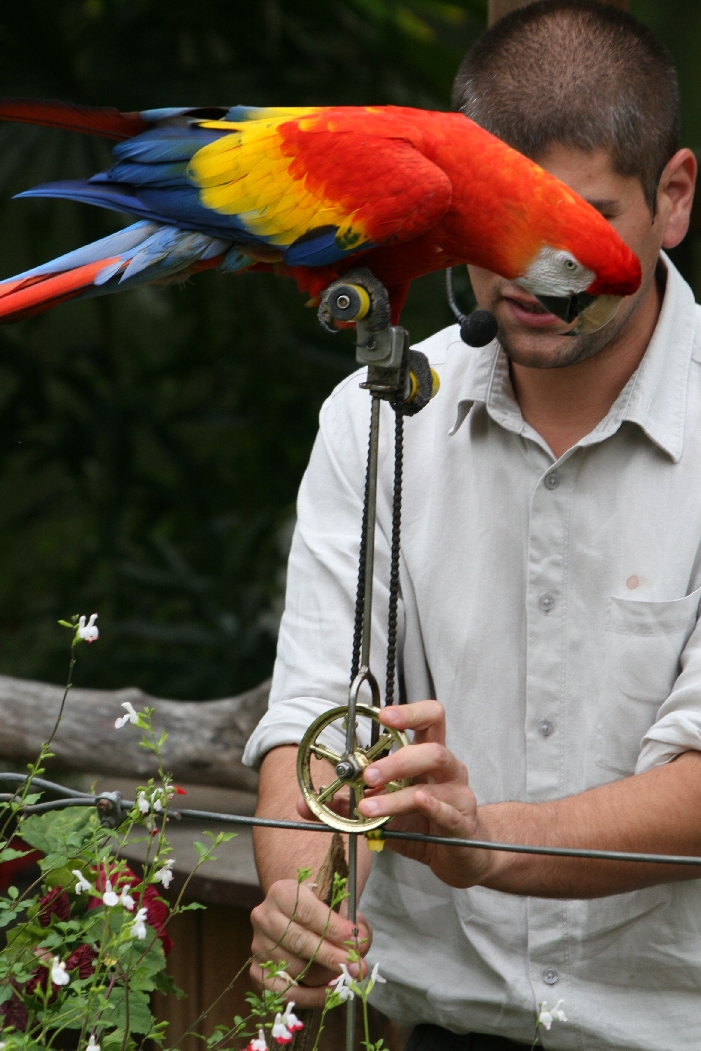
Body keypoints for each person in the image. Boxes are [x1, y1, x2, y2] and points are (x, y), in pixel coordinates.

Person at [242, 2, 701, 1048]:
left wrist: (483, 841)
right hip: (432, 1026)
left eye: (583, 220)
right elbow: (313, 715)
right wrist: (303, 897)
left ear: (671, 197)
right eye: (499, 219)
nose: (536, 270)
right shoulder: (371, 415)